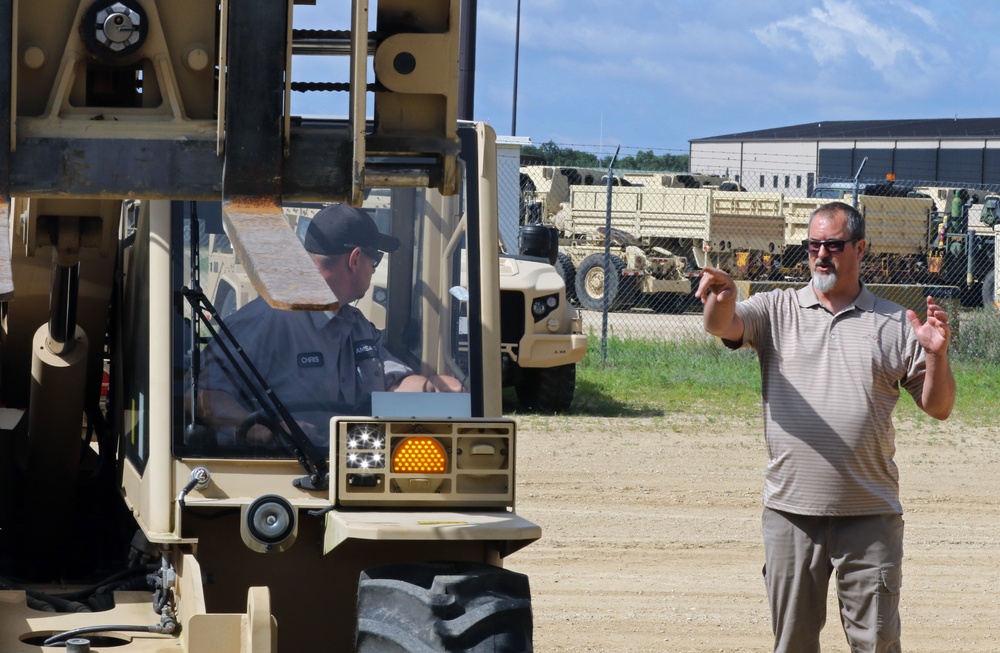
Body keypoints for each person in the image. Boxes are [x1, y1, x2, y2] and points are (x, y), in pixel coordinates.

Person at [695, 201, 955, 653]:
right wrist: (723, 300)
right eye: (814, 244)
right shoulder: (777, 309)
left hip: (870, 519)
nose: (821, 255)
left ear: (860, 248)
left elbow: (939, 407)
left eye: (833, 245)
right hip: (791, 514)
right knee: (792, 643)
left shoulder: (894, 322)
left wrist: (935, 355)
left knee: (876, 644)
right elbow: (725, 326)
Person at [195, 203, 461, 446]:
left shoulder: (356, 326)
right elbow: (201, 396)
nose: (373, 268)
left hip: (352, 467)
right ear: (355, 259)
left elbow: (392, 383)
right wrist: (267, 429)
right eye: (374, 260)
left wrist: (432, 388)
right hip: (280, 475)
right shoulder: (266, 322)